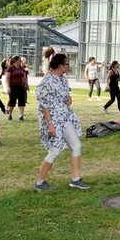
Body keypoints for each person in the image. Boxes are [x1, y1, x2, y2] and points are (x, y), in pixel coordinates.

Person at [34, 51, 88, 192]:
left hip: (65, 117)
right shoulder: (47, 81)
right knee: (55, 150)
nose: (69, 66)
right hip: (53, 120)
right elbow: (44, 105)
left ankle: (75, 179)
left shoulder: (63, 78)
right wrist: (50, 124)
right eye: (67, 64)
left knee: (76, 145)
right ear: (59, 66)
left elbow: (65, 96)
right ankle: (40, 182)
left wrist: (69, 99)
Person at [5, 55, 30, 121]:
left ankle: (21, 115)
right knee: (12, 101)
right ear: (15, 60)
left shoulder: (22, 68)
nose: (21, 61)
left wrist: (26, 85)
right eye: (19, 59)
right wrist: (8, 87)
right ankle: (10, 114)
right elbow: (7, 78)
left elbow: (24, 78)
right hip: (13, 87)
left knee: (22, 101)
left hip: (21, 87)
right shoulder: (10, 68)